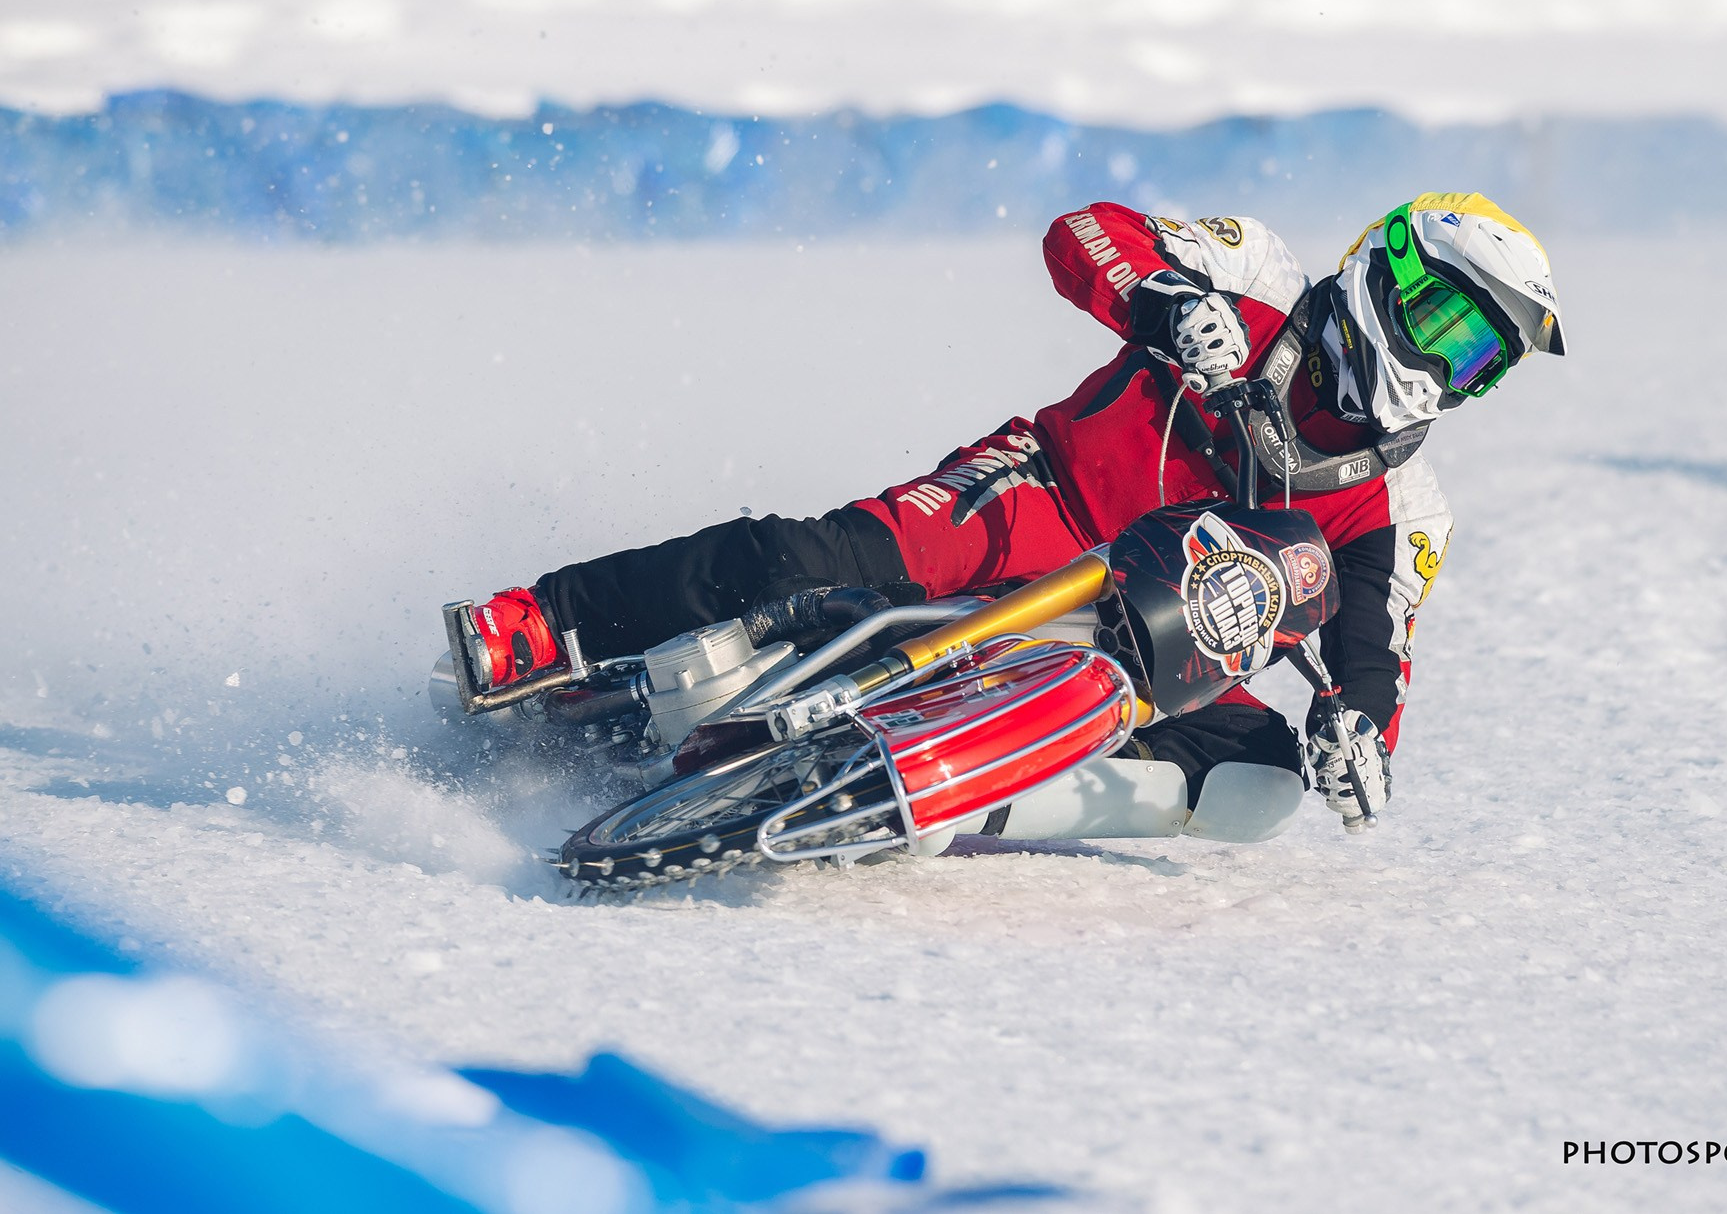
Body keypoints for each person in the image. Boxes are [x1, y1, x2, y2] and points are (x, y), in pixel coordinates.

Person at [460, 194, 1564, 838]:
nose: (1438, 365)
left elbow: (1373, 651)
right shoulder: (1255, 272)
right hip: (1039, 499)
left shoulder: (1404, 503)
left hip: (1147, 641)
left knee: (1260, 785)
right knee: (813, 555)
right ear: (1387, 268)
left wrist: (1357, 731)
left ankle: (948, 810)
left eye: (1474, 357)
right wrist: (1166, 302)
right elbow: (1081, 231)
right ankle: (542, 624)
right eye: (1438, 319)